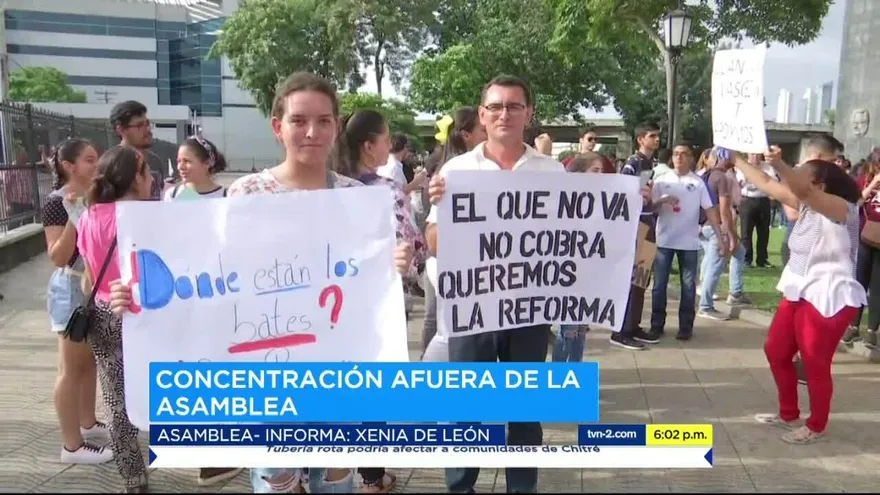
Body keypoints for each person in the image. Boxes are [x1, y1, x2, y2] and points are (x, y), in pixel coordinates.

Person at [109, 71, 412, 494]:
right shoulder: (248, 195)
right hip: (269, 381)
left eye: (324, 120)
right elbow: (208, 281)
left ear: (336, 126)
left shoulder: (357, 199)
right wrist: (140, 297)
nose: (312, 131)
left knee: (336, 485)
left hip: (338, 379)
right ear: (278, 127)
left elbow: (368, 284)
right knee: (277, 485)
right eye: (299, 120)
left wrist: (393, 265)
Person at [425, 74, 561, 494]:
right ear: (482, 115)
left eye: (514, 106)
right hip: (473, 309)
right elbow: (434, 244)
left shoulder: (552, 172)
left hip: (528, 310)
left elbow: (571, 243)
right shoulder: (456, 170)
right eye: (496, 107)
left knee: (523, 410)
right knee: (467, 407)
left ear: (529, 114)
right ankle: (460, 486)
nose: (505, 113)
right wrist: (438, 209)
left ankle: (523, 487)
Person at [732, 145, 865, 444]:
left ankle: (816, 425)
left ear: (820, 184)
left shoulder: (842, 208)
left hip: (829, 295)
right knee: (775, 350)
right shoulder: (805, 204)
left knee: (815, 361)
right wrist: (736, 160)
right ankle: (788, 413)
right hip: (798, 289)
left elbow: (796, 188)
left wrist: (778, 162)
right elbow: (766, 184)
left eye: (801, 172)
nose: (792, 176)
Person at [334, 108, 429, 493]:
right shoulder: (382, 190)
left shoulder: (319, 188)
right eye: (387, 139)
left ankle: (325, 471)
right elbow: (414, 246)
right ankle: (372, 477)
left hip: (321, 309)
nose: (390, 146)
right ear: (369, 145)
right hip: (371, 311)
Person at [76, 145, 153, 493]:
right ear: (134, 179)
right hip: (140, 315)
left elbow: (90, 275)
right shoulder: (144, 218)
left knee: (115, 398)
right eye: (147, 172)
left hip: (102, 312)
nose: (151, 179)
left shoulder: (89, 216)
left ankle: (133, 477)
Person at [43, 138, 113, 464]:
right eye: (88, 160)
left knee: (88, 363)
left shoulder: (96, 197)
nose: (95, 166)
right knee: (69, 370)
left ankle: (87, 424)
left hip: (91, 286)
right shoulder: (58, 202)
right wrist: (75, 216)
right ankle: (71, 446)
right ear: (69, 166)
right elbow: (57, 256)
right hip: (70, 288)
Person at [420, 107, 486, 363]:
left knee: (442, 325)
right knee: (450, 331)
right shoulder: (456, 170)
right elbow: (435, 234)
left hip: (454, 264)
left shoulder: (448, 164)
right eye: (482, 129)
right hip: (453, 264)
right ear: (467, 135)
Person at [650, 144, 726, 341]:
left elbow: (710, 209)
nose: (679, 158)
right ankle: (656, 325)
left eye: (684, 154)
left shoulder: (698, 182)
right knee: (659, 285)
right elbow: (650, 206)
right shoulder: (661, 179)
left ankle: (685, 327)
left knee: (688, 286)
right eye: (676, 154)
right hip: (664, 240)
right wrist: (662, 201)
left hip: (689, 241)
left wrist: (720, 235)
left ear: (691, 158)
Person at [551, 152, 613, 361]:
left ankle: (574, 373)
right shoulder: (564, 199)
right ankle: (558, 377)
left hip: (590, 271)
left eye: (602, 171)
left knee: (581, 328)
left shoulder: (602, 199)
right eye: (595, 170)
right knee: (567, 328)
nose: (600, 175)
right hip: (568, 271)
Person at [616, 123, 661, 350]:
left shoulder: (648, 164)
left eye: (657, 136)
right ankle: (621, 329)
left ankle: (633, 325)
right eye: (652, 136)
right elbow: (624, 193)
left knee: (642, 279)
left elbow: (645, 196)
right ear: (640, 139)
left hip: (647, 221)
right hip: (637, 225)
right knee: (633, 279)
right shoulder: (633, 164)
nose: (656, 140)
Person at [698, 148, 751, 320]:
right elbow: (724, 210)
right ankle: (706, 306)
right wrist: (729, 234)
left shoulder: (706, 175)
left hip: (704, 225)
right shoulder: (723, 178)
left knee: (738, 253)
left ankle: (735, 292)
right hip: (717, 228)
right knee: (715, 266)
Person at [109, 100, 165, 199]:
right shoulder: (111, 163)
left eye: (147, 124)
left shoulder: (155, 161)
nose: (147, 129)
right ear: (121, 129)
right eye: (139, 125)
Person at [164, 135, 228, 201]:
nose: (180, 167)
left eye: (187, 161)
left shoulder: (227, 196)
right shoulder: (173, 195)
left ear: (207, 163)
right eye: (179, 161)